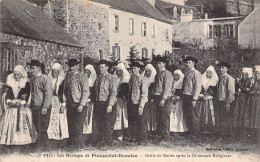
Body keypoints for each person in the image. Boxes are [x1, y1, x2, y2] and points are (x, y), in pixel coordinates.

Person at [0, 65, 37, 152]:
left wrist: (20, 103)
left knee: (22, 125)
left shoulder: (26, 83)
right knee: (9, 124)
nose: (16, 76)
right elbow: (8, 95)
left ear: (21, 74)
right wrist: (9, 101)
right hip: (12, 107)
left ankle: (23, 144)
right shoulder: (11, 83)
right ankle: (11, 142)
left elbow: (27, 96)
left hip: (21, 107)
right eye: (15, 74)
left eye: (18, 74)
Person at [59, 58, 90, 149]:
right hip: (70, 104)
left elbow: (85, 91)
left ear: (77, 66)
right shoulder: (67, 77)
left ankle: (79, 146)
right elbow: (64, 91)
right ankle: (72, 144)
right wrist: (64, 102)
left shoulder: (82, 76)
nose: (71, 68)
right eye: (70, 66)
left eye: (73, 66)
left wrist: (81, 104)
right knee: (71, 124)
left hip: (79, 104)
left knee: (78, 126)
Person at [27, 60, 52, 151]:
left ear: (38, 68)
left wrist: (45, 106)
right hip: (35, 106)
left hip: (43, 107)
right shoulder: (32, 79)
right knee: (39, 128)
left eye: (33, 68)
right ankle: (45, 148)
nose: (31, 70)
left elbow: (48, 93)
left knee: (42, 128)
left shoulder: (45, 78)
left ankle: (43, 148)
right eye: (31, 68)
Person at [93, 60, 118, 147]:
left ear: (107, 67)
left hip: (108, 104)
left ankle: (108, 142)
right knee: (100, 123)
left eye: (102, 67)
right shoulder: (98, 78)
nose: (100, 69)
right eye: (99, 67)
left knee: (108, 123)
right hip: (99, 104)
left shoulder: (112, 78)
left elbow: (113, 92)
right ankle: (101, 141)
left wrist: (110, 105)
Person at [47, 63, 69, 147]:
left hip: (59, 101)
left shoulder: (62, 81)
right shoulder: (49, 80)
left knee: (61, 119)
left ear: (59, 72)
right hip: (51, 101)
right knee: (51, 120)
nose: (54, 74)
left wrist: (63, 104)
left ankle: (61, 141)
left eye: (56, 72)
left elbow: (64, 93)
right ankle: (51, 139)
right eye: (53, 72)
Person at [153, 55, 173, 142]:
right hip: (158, 97)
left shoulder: (167, 73)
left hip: (164, 98)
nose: (158, 65)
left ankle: (166, 138)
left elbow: (167, 87)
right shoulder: (158, 74)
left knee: (165, 117)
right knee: (159, 117)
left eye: (160, 63)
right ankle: (161, 135)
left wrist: (163, 99)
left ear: (164, 64)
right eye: (157, 63)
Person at [128, 62, 148, 144]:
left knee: (142, 121)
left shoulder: (142, 79)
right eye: (132, 68)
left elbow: (144, 93)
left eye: (135, 68)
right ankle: (135, 137)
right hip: (133, 103)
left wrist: (141, 106)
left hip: (141, 103)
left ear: (139, 69)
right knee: (134, 120)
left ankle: (143, 139)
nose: (133, 70)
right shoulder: (131, 78)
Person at [182, 56, 202, 135]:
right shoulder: (187, 73)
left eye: (189, 63)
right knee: (187, 114)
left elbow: (198, 87)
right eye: (186, 63)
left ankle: (196, 133)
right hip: (186, 96)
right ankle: (190, 132)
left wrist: (194, 99)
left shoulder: (196, 73)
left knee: (193, 115)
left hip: (192, 96)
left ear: (193, 63)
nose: (187, 64)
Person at [197, 66, 219, 134]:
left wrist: (208, 97)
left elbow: (216, 92)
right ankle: (202, 129)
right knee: (201, 113)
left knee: (211, 114)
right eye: (207, 73)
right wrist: (201, 96)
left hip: (211, 101)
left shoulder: (215, 81)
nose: (208, 74)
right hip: (202, 100)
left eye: (210, 73)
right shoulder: (202, 80)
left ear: (212, 74)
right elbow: (199, 90)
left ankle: (211, 130)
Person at [216, 61, 235, 136]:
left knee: (226, 118)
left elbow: (231, 92)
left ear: (227, 69)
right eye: (220, 68)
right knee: (221, 117)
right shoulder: (220, 78)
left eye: (223, 68)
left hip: (226, 101)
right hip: (220, 100)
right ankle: (222, 134)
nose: (221, 69)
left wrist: (228, 103)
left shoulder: (229, 78)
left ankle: (228, 135)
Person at [113, 63, 130, 141]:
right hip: (116, 100)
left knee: (124, 117)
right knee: (117, 117)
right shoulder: (114, 78)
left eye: (120, 71)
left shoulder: (126, 79)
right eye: (117, 71)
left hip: (124, 101)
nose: (118, 72)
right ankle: (117, 133)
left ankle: (125, 134)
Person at [168, 69, 188, 133]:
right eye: (174, 75)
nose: (175, 77)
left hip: (179, 100)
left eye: (177, 75)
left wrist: (178, 97)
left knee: (179, 113)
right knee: (172, 114)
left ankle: (180, 129)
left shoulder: (182, 82)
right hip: (172, 99)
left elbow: (184, 92)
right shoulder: (172, 82)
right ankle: (172, 129)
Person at [243, 65, 260, 141]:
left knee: (257, 115)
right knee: (251, 116)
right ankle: (251, 134)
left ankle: (257, 135)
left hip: (258, 100)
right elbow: (250, 88)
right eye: (255, 73)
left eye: (258, 73)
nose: (256, 75)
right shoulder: (253, 80)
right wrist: (249, 90)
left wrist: (256, 92)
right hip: (252, 100)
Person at [83, 64, 97, 143]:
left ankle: (91, 138)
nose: (86, 74)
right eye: (85, 72)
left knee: (90, 120)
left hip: (90, 103)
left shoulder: (94, 81)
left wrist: (89, 99)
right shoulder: (82, 80)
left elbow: (94, 93)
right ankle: (84, 137)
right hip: (82, 102)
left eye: (88, 72)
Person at [143, 64, 157, 136]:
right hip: (144, 99)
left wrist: (152, 98)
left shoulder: (154, 79)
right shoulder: (143, 78)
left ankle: (153, 130)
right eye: (146, 71)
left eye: (149, 71)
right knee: (146, 115)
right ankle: (147, 130)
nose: (147, 73)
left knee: (152, 115)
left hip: (152, 99)